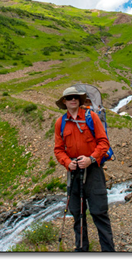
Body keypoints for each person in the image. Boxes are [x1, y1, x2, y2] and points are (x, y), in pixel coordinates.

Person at [53, 86, 115, 252]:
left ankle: (109, 251)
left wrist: (91, 159)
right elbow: (58, 149)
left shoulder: (91, 117)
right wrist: (67, 162)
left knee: (99, 213)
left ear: (79, 100)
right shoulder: (60, 123)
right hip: (73, 172)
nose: (73, 100)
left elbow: (104, 142)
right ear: (64, 101)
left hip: (93, 171)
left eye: (76, 97)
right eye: (69, 97)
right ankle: (82, 250)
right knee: (77, 215)